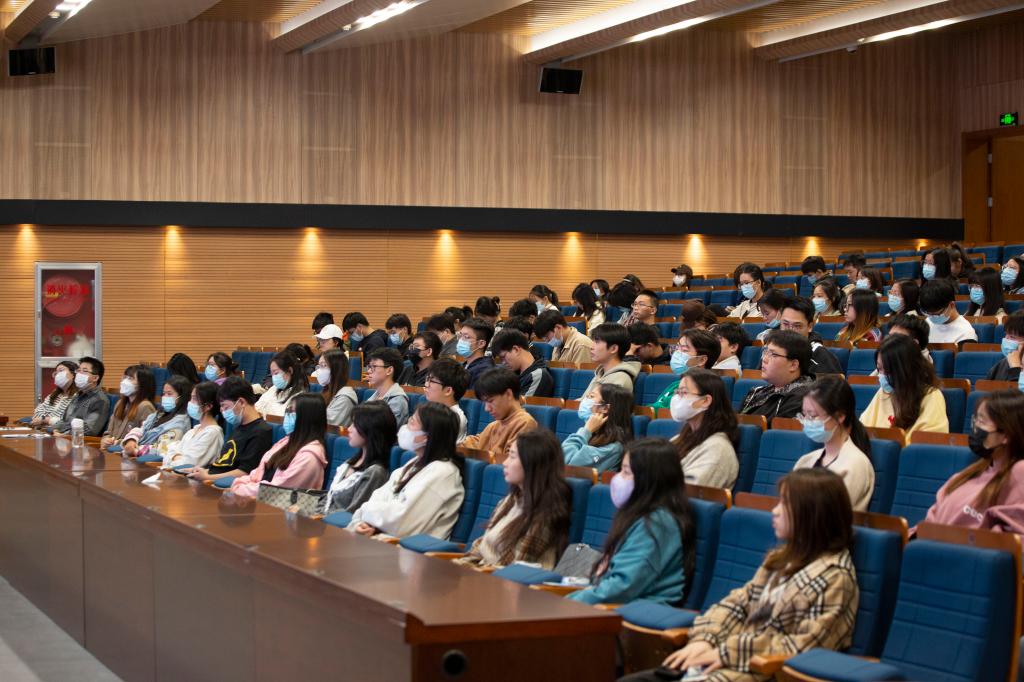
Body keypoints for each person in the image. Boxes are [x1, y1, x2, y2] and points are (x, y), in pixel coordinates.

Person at [627, 469, 858, 682]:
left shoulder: (835, 577)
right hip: (729, 661)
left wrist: (727, 653)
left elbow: (804, 649)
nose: (775, 511)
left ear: (812, 515)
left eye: (785, 504)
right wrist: (705, 639)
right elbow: (736, 604)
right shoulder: (781, 558)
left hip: (763, 672)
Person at [568, 439, 696, 606]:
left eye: (626, 472)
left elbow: (621, 587)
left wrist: (566, 603)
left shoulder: (658, 524)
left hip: (639, 613)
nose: (618, 478)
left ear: (650, 479)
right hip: (617, 605)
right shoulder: (639, 515)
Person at [455, 430, 572, 570]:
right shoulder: (512, 499)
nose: (505, 463)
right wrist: (459, 566)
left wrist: (469, 572)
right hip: (482, 572)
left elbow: (511, 568)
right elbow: (482, 545)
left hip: (503, 580)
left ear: (532, 462)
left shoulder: (545, 513)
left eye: (512, 456)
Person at [349, 402, 465, 539]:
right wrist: (361, 522)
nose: (405, 427)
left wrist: (367, 513)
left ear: (426, 437)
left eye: (412, 423)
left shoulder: (443, 473)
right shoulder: (414, 463)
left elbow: (401, 521)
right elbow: (377, 497)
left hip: (410, 548)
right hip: (381, 538)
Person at [920, 390, 1024, 533]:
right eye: (975, 420)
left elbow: (1010, 536)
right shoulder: (975, 469)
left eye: (982, 421)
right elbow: (934, 514)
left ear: (1006, 434)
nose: (975, 427)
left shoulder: (1018, 472)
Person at [794, 377, 875, 511]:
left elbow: (833, 515)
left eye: (813, 416)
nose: (807, 422)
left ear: (840, 416)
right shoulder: (806, 460)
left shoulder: (857, 464)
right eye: (804, 415)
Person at [229, 393, 328, 498]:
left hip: (279, 505)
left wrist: (241, 489)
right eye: (287, 411)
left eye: (291, 412)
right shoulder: (286, 442)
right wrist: (240, 483)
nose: (287, 416)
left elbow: (277, 490)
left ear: (307, 418)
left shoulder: (309, 457)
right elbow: (258, 473)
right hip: (258, 498)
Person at [861, 334, 948, 443]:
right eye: (879, 369)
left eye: (887, 370)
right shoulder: (884, 392)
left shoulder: (932, 396)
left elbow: (928, 443)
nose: (881, 376)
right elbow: (862, 430)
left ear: (905, 370)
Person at [186, 377, 274, 482]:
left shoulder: (261, 432)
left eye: (225, 406)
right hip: (213, 480)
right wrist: (204, 471)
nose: (222, 411)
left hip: (225, 485)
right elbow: (223, 465)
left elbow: (244, 472)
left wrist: (207, 477)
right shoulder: (238, 427)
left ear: (241, 402)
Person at [670, 368, 739, 489]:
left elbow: (689, 490)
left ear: (705, 400)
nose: (677, 398)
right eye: (677, 392)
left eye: (684, 392)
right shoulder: (681, 438)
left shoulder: (718, 448)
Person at [323, 403, 396, 515]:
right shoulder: (353, 461)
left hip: (333, 524)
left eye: (355, 425)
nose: (349, 429)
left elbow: (351, 514)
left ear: (370, 430)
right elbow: (329, 499)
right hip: (322, 518)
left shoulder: (375, 473)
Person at [740, 331, 814, 424]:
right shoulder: (758, 391)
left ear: (793, 365)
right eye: (765, 352)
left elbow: (775, 431)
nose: (764, 359)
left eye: (773, 355)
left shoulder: (803, 399)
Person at [461, 368, 537, 458]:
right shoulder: (494, 426)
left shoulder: (525, 423)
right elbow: (474, 443)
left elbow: (510, 461)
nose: (486, 409)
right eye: (485, 403)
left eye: (490, 401)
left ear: (508, 394)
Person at [562, 383, 633, 472]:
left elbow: (566, 465)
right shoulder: (593, 433)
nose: (584, 400)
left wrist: (586, 430)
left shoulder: (613, 447)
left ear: (605, 408)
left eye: (591, 396)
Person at [121, 375, 193, 457]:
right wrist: (131, 440)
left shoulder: (180, 423)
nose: (165, 397)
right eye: (164, 394)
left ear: (182, 397)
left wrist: (136, 450)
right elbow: (142, 429)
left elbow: (163, 449)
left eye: (169, 394)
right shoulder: (159, 414)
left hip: (151, 460)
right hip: (138, 454)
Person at [649, 329, 721, 409]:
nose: (677, 353)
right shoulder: (675, 384)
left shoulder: (701, 390)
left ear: (702, 360)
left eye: (684, 350)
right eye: (677, 347)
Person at [162, 381, 224, 469]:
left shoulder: (212, 433)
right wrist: (175, 456)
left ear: (208, 406)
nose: (190, 402)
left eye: (194, 399)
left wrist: (173, 456)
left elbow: (188, 465)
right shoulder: (194, 430)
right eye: (191, 398)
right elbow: (167, 452)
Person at [579, 324, 641, 407]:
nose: (591, 347)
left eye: (597, 342)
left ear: (613, 349)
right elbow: (583, 402)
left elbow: (605, 411)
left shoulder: (620, 379)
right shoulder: (601, 374)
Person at [779, 297, 843, 375]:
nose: (790, 330)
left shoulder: (822, 356)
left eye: (797, 326)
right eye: (785, 324)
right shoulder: (772, 350)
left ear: (810, 326)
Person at [53, 356, 110, 436]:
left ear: (95, 378)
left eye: (84, 371)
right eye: (79, 370)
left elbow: (89, 430)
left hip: (78, 441)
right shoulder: (78, 395)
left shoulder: (100, 400)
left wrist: (64, 434)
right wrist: (54, 429)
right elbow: (64, 420)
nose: (79, 374)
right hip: (62, 437)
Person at [101, 364, 157, 446]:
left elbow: (146, 440)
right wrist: (106, 439)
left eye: (130, 378)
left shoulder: (145, 407)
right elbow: (108, 432)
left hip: (126, 451)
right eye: (125, 377)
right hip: (111, 449)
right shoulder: (120, 403)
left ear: (142, 384)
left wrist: (117, 443)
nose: (125, 381)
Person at [491, 329, 554, 398]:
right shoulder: (512, 372)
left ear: (516, 350)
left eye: (503, 357)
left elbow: (521, 404)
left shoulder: (537, 375)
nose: (503, 363)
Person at [424, 358, 471, 443]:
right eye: (427, 379)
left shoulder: (454, 418)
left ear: (448, 391)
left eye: (431, 381)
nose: (426, 384)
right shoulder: (432, 409)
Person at [920, 278, 978, 346]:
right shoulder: (926, 324)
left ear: (951, 305)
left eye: (937, 314)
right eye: (928, 314)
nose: (932, 317)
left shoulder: (966, 334)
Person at [254, 350, 309, 418]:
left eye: (276, 373)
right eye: (272, 374)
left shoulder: (300, 397)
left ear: (290, 370)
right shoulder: (274, 388)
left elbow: (281, 418)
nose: (273, 377)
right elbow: (256, 408)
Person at [365, 348, 409, 426]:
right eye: (369, 366)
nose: (369, 371)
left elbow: (380, 431)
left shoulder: (397, 401)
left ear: (389, 370)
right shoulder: (375, 395)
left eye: (374, 366)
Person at [316, 349, 358, 428]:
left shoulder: (345, 397)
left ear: (336, 368)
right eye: (319, 366)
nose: (319, 371)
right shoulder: (327, 391)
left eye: (324, 365)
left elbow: (328, 424)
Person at [31, 360, 79, 427]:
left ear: (73, 374)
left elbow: (67, 421)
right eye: (56, 372)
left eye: (61, 371)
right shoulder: (54, 394)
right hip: (45, 430)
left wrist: (45, 420)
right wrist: (45, 419)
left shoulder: (78, 396)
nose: (58, 375)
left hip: (61, 431)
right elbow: (37, 412)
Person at [458, 317, 495, 389]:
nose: (460, 340)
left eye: (466, 337)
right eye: (460, 335)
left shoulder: (484, 372)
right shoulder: (466, 365)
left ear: (481, 344)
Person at [987, 311, 1024, 382]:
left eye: (1012, 337)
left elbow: (1018, 389)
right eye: (1006, 334)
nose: (1006, 340)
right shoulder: (1000, 365)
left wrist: (1015, 369)